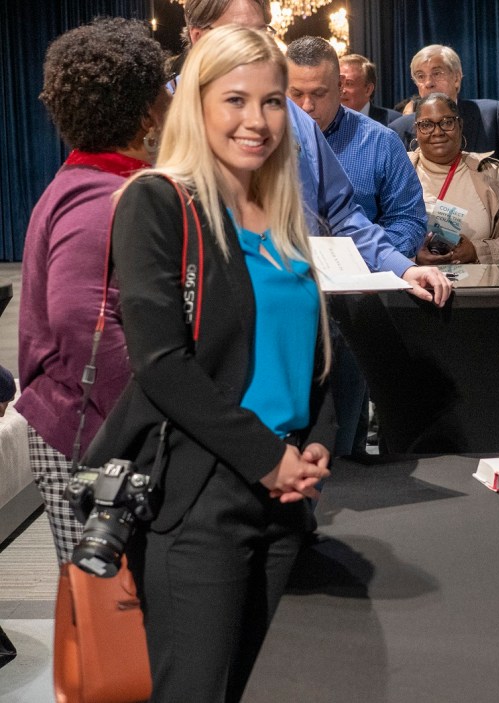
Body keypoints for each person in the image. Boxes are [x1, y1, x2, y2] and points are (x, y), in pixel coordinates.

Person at [86, 25, 335, 702]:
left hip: (285, 499)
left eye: (274, 101)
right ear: (195, 106)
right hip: (202, 497)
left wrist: (316, 441)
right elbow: (163, 364)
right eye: (235, 100)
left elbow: (314, 357)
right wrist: (266, 457)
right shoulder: (157, 201)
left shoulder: (283, 215)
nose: (257, 121)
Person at [16, 17, 169, 564]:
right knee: (109, 622)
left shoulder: (96, 182)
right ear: (145, 111)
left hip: (98, 427)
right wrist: (163, 419)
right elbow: (84, 326)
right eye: (164, 92)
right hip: (94, 433)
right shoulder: (99, 196)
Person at [177, 0, 451, 305]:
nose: (256, 50)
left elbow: (341, 213)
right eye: (240, 35)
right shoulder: (163, 115)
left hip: (299, 306)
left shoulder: (296, 120)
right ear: (199, 37)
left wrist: (400, 267)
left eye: (261, 34)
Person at [285, 35, 426, 455]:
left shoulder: (379, 142)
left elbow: (407, 219)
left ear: (341, 89)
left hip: (355, 306)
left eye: (319, 95)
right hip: (288, 301)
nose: (306, 107)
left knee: (341, 438)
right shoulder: (266, 137)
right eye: (296, 94)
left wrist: (383, 267)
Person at [389, 44, 499, 229]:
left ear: (457, 78)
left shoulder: (490, 116)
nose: (428, 83)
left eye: (437, 73)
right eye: (420, 76)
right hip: (425, 240)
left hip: (488, 236)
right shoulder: (399, 129)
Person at [410, 93, 499, 266]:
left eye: (447, 122)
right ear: (416, 130)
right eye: (426, 125)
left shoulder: (490, 173)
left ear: (460, 125)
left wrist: (476, 251)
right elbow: (378, 238)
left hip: (477, 288)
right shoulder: (399, 171)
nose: (437, 132)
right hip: (415, 288)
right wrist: (412, 258)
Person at [339, 53, 400, 126]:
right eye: (339, 84)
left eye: (349, 84)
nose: (342, 90)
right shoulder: (325, 122)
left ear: (368, 89)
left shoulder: (393, 121)